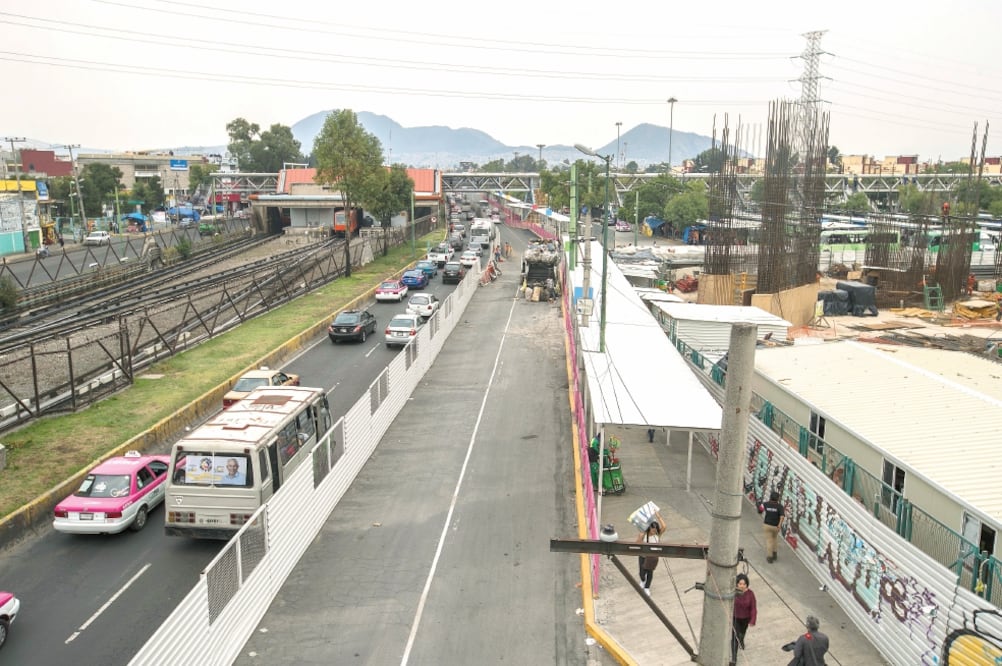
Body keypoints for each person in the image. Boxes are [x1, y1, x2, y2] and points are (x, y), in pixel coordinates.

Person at [636, 512, 667, 596]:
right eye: (653, 529)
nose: (654, 531)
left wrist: (658, 516)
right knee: (641, 573)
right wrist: (640, 536)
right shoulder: (644, 535)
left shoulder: (657, 534)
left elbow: (664, 527)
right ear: (649, 528)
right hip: (643, 556)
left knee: (650, 573)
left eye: (656, 529)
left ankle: (647, 587)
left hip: (652, 557)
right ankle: (643, 580)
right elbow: (637, 544)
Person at [731, 573, 757, 665]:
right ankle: (734, 658)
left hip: (745, 619)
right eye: (740, 584)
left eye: (744, 584)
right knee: (734, 637)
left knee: (742, 633)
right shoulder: (733, 592)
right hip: (735, 618)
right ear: (737, 584)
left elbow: (753, 608)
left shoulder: (750, 594)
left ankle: (741, 639)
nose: (742, 586)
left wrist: (752, 620)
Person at [762, 490, 785, 563]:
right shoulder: (779, 507)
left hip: (767, 525)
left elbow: (760, 509)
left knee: (769, 541)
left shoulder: (765, 504)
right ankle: (775, 554)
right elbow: (782, 517)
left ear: (770, 497)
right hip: (776, 527)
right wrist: (779, 525)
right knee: (774, 539)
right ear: (778, 499)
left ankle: (770, 557)